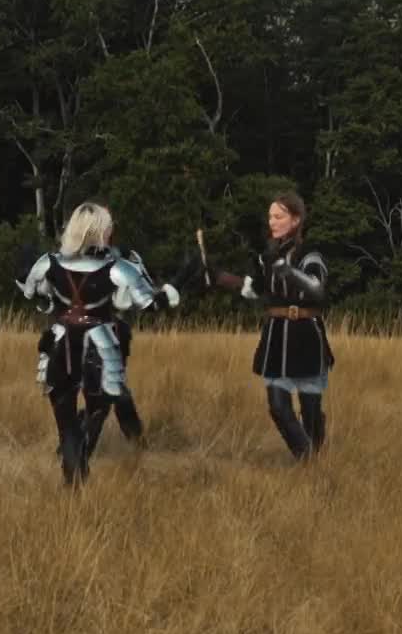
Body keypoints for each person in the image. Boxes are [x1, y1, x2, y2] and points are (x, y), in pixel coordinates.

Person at [17, 201, 185, 486]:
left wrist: (27, 270)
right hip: (100, 348)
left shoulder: (49, 262)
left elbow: (33, 294)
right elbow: (150, 304)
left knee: (67, 430)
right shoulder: (119, 268)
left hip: (60, 345)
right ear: (99, 231)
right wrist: (173, 289)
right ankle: (79, 483)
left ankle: (73, 489)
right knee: (94, 416)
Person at [210, 190, 333, 462]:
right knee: (278, 407)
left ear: (296, 220)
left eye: (279, 216)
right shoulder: (268, 256)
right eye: (270, 217)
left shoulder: (310, 254)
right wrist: (220, 277)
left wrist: (288, 270)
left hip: (306, 336)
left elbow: (316, 288)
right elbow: (255, 290)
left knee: (311, 411)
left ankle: (316, 464)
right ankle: (307, 461)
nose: (272, 222)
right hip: (276, 337)